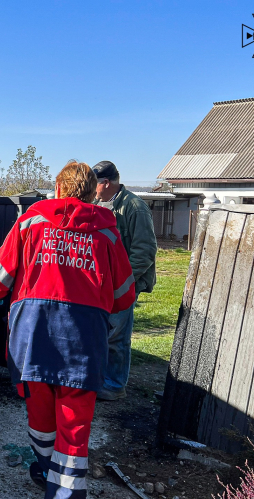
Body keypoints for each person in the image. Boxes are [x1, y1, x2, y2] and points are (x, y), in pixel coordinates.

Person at [0, 162, 135, 499]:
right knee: (74, 429)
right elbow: (123, 295)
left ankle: (43, 466)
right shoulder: (107, 233)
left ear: (58, 187)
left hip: (32, 337)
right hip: (82, 342)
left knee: (40, 414)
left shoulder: (31, 221)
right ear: (90, 192)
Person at [92, 160, 157, 401]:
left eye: (95, 184)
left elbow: (145, 250)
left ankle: (114, 385)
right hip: (102, 282)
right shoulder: (98, 203)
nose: (92, 188)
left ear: (106, 183)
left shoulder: (134, 207)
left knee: (116, 334)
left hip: (123, 284)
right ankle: (102, 378)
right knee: (102, 332)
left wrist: (124, 282)